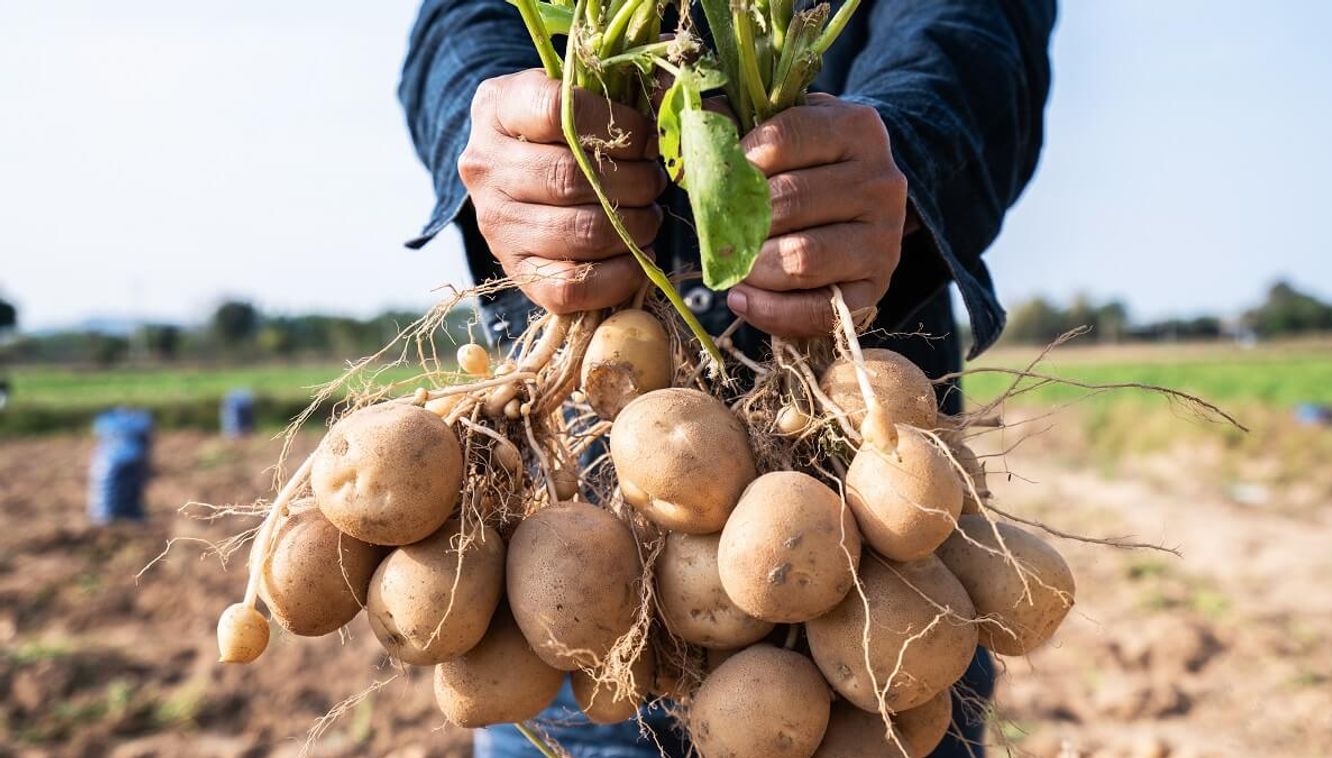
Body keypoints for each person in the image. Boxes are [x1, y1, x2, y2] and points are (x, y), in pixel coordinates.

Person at [399, 0, 1055, 754]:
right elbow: (462, 21)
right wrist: (496, 122)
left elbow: (968, 25)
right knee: (579, 684)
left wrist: (907, 147)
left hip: (856, 517)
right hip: (578, 556)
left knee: (891, 678)